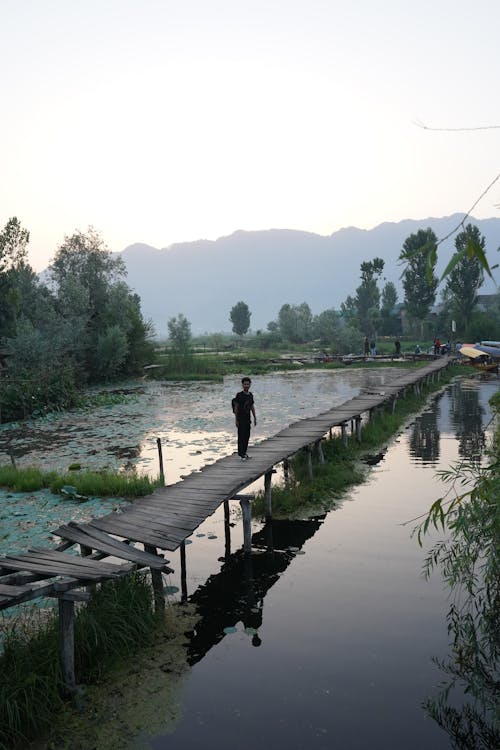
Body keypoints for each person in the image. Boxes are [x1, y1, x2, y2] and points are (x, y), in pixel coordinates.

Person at [233, 377, 257, 460]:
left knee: (247, 436)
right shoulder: (239, 395)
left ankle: (245, 452)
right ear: (242, 385)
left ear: (250, 384)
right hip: (240, 419)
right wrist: (236, 419)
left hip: (247, 419)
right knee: (241, 436)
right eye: (245, 384)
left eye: (248, 384)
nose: (246, 385)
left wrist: (255, 417)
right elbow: (236, 407)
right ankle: (241, 453)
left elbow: (252, 406)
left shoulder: (250, 395)